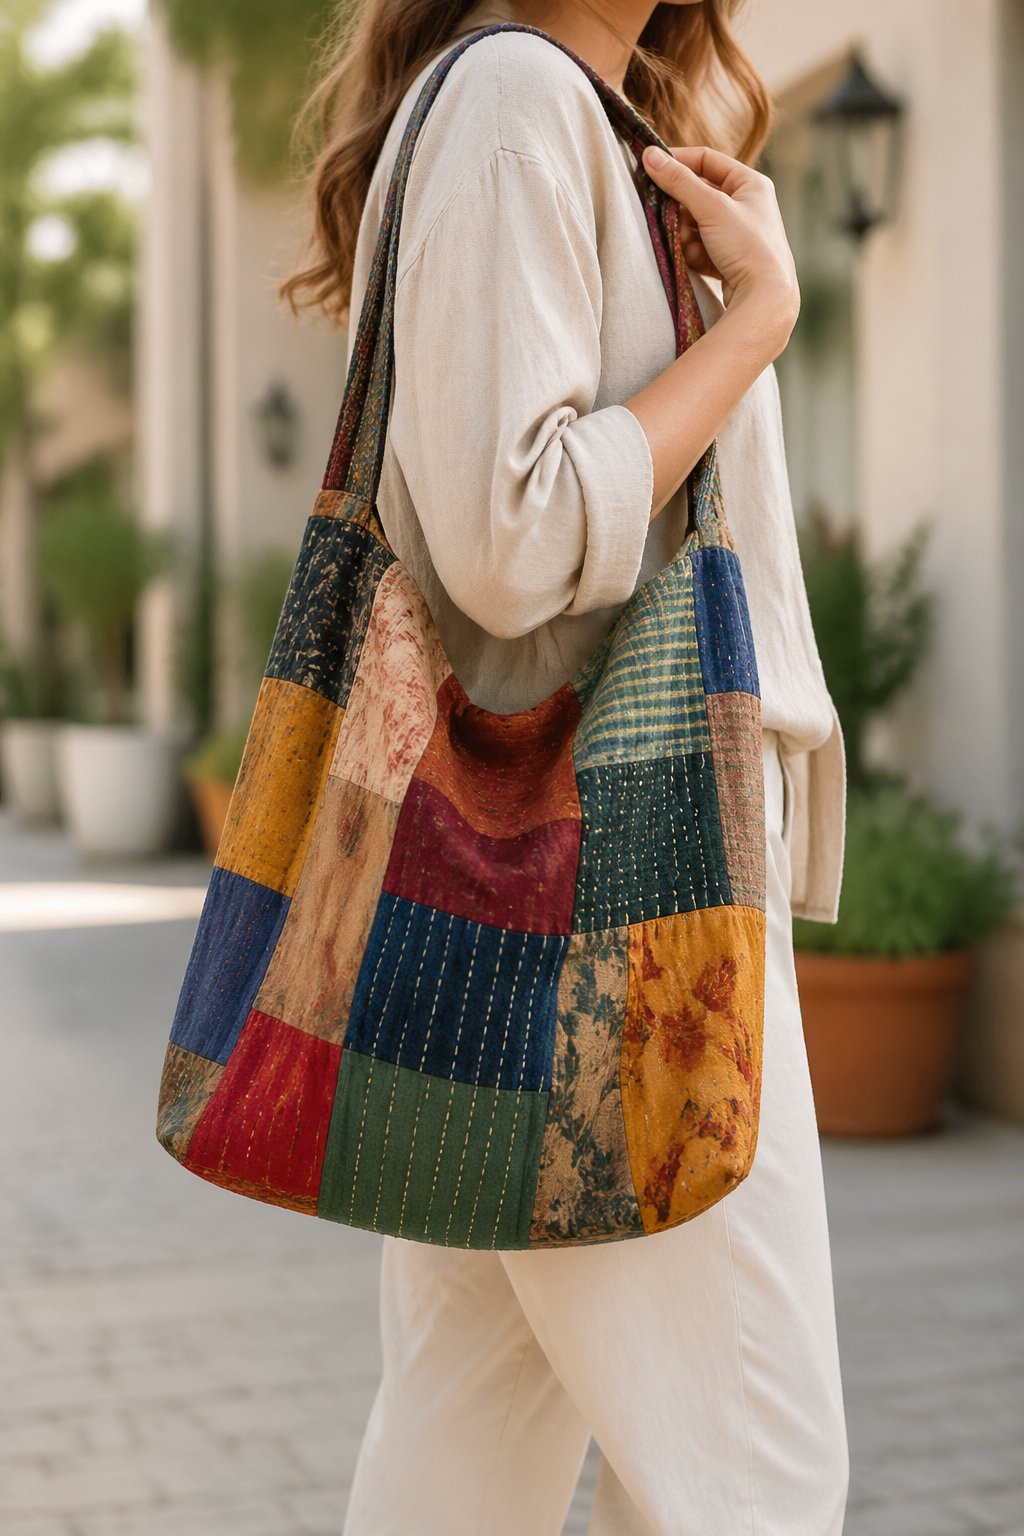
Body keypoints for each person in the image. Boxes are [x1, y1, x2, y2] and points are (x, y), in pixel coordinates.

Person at [281, 1, 850, 1531]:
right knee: (760, 1480)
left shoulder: (572, 117)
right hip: (620, 903)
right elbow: (509, 534)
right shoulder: (519, 100)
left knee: (470, 1452)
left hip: (522, 901)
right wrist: (751, 328)